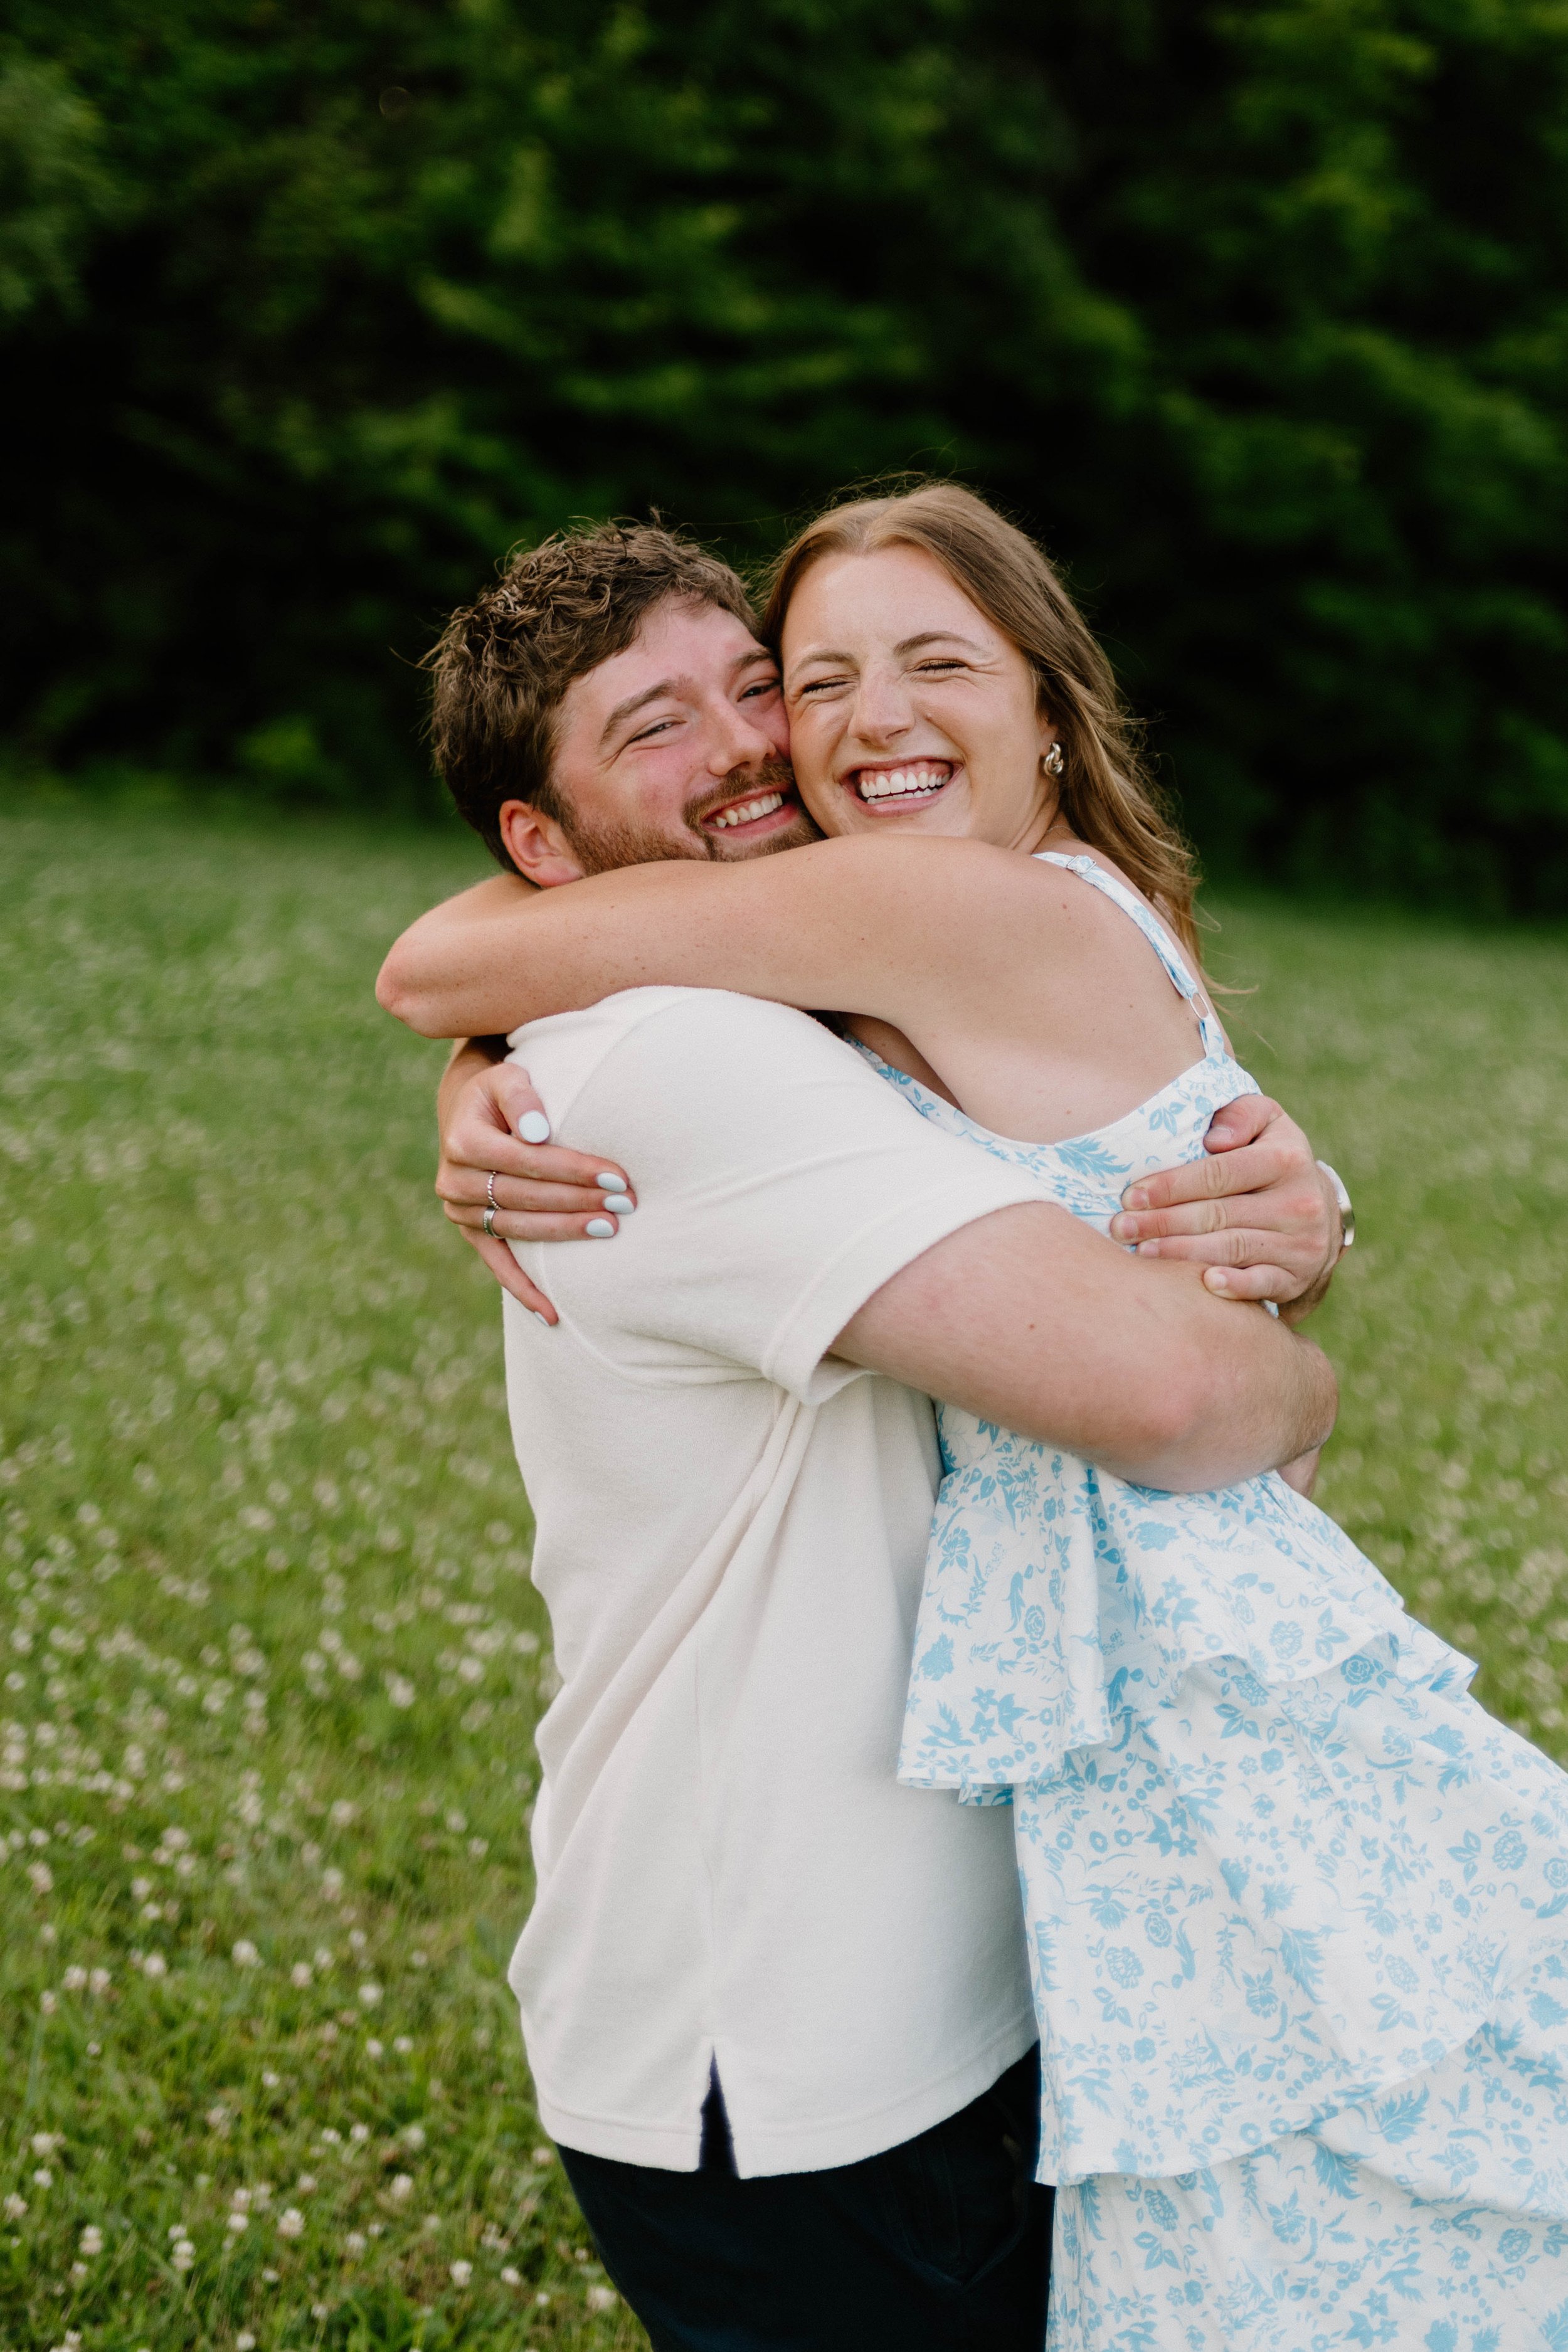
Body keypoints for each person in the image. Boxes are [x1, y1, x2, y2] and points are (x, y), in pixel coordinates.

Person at [384, 487, 1568, 2349]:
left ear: (1045, 700)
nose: (771, 743)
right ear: (541, 835)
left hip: (1046, 1904)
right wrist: (1296, 1351)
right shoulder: (697, 1031)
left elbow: (465, 960)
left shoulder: (855, 953)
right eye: (659, 725)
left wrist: (1302, 1230)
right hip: (787, 2049)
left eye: (753, 685)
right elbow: (1183, 1390)